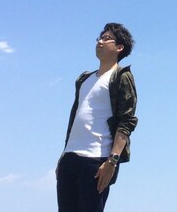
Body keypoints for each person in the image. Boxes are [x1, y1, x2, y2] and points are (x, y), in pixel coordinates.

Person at [56, 23, 138, 212]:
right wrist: (63, 156)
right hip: (70, 158)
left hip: (97, 159)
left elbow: (126, 121)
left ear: (119, 47)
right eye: (99, 38)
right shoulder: (84, 79)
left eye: (106, 38)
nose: (100, 41)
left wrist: (112, 160)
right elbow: (75, 119)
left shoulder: (121, 76)